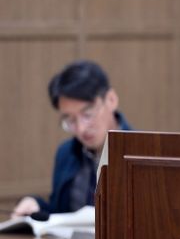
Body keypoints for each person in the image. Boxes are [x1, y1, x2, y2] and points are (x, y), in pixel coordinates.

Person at [12, 60, 131, 216]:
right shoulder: (66, 153)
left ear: (111, 100)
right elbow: (60, 215)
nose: (81, 129)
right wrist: (35, 205)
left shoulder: (142, 152)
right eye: (70, 120)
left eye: (87, 114)